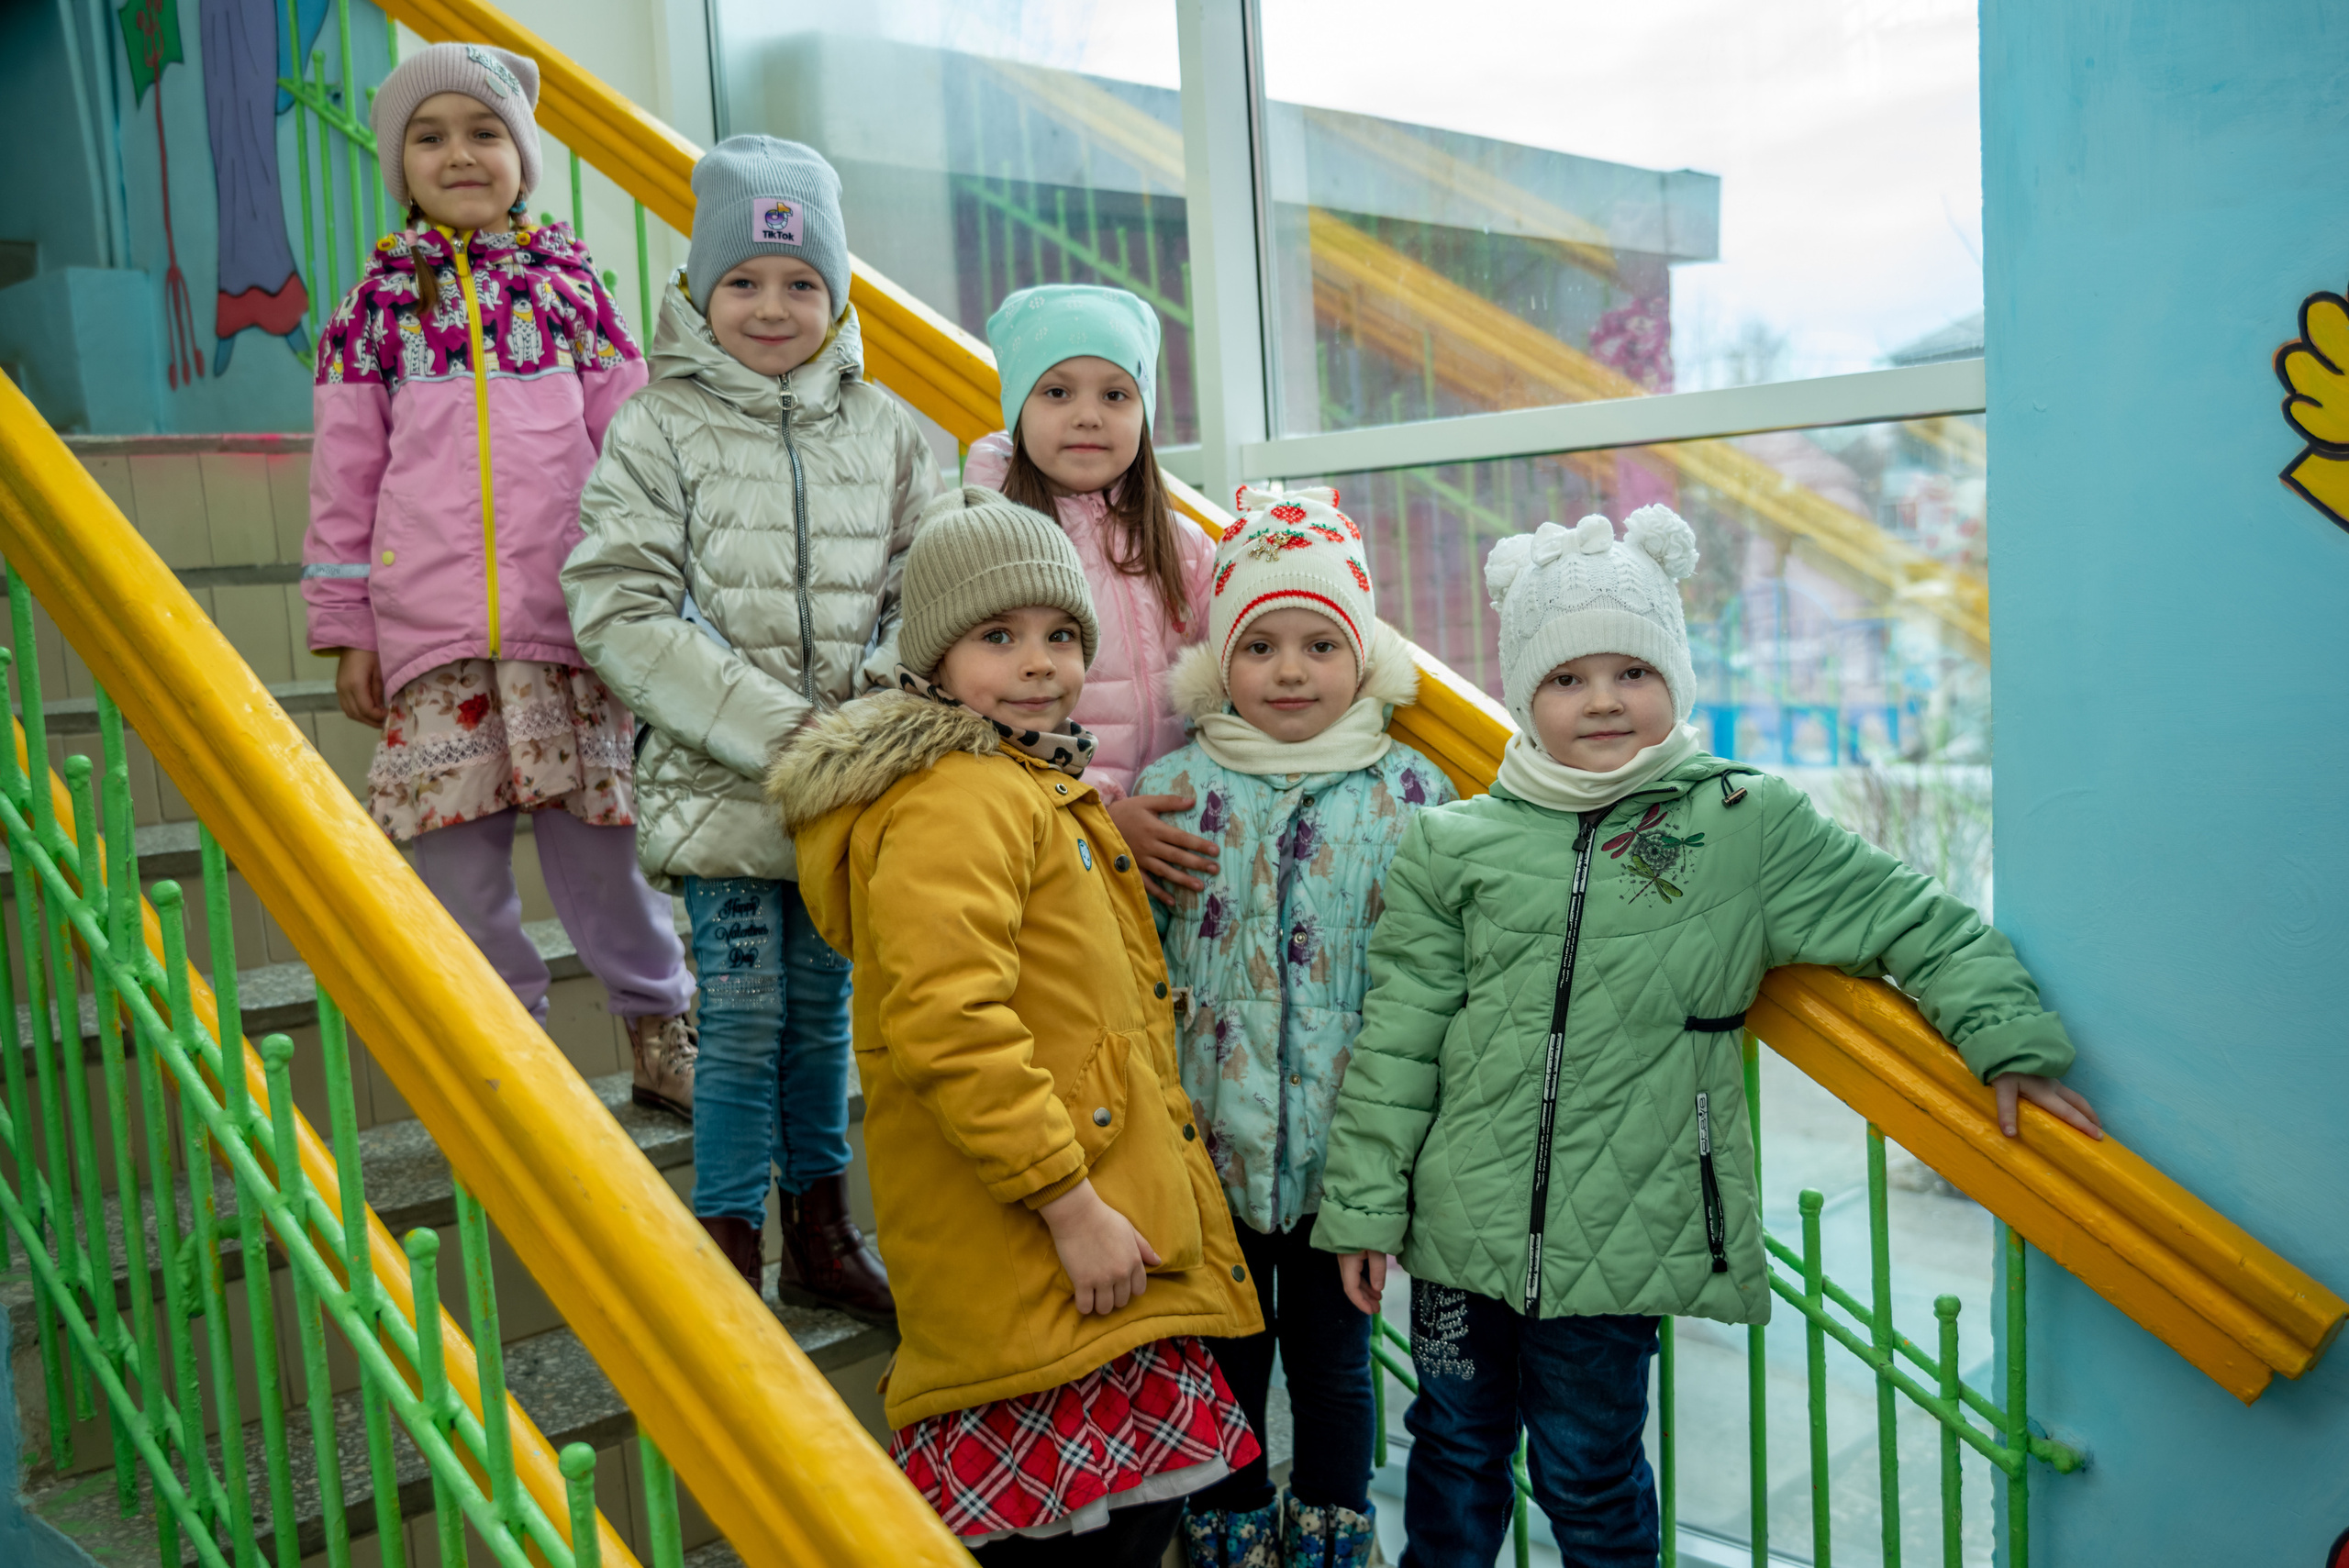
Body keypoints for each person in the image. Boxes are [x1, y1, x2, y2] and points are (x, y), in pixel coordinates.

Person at [1313, 509, 2104, 1567]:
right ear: (1523, 695)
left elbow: (1913, 918)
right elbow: (1401, 1034)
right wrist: (1366, 1206)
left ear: (1674, 678)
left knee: (1588, 1474)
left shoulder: (1742, 820)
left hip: (1627, 1228)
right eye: (1566, 677)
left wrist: (2005, 1038)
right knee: (1451, 1455)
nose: (1601, 698)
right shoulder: (1455, 843)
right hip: (1457, 1233)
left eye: (1630, 669)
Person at [770, 487, 1264, 1566]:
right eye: (998, 636)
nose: (1038, 661)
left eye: (1059, 634)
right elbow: (951, 1023)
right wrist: (1068, 1202)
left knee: (1131, 1531)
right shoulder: (960, 797)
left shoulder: (1028, 784)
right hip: (1044, 1241)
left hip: (1089, 1241)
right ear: (936, 659)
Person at [563, 136, 939, 1320]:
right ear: (697, 291)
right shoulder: (656, 427)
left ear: (835, 298)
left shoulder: (884, 432)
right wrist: (790, 736)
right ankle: (726, 1249)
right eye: (743, 281)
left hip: (845, 800)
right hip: (721, 791)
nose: (772, 306)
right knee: (735, 1023)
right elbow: (619, 608)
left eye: (799, 283)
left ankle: (822, 1234)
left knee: (823, 1017)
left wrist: (867, 726)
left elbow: (924, 598)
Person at [303, 41, 697, 1116]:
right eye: (429, 137)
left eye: (484, 133)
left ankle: (661, 1028)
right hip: (434, 642)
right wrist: (350, 625)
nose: (459, 153)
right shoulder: (372, 312)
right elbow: (345, 483)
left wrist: (657, 589)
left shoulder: (576, 298)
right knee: (458, 867)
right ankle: (510, 1057)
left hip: (569, 630)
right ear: (400, 165)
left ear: (523, 156)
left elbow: (633, 453)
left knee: (607, 856)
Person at [1137, 487, 1455, 1568]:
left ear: (1361, 658)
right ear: (1219, 661)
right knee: (1225, 1357)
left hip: (1342, 1162)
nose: (1288, 669)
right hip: (1204, 1154)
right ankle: (1225, 1524)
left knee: (1330, 1363)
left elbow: (1438, 983)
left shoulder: (1413, 794)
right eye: (1260, 644)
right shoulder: (1172, 789)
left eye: (1320, 643)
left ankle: (1329, 1526)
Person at [964, 284, 1225, 906]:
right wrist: (1104, 817)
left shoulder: (1183, 545)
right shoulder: (987, 534)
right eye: (1057, 391)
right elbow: (979, 715)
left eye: (1115, 394)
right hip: (1046, 841)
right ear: (1018, 407)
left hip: (1173, 836)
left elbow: (1232, 674)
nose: (1088, 414)